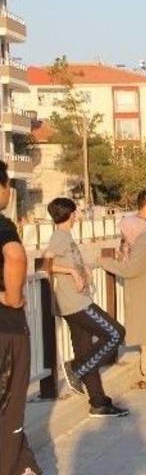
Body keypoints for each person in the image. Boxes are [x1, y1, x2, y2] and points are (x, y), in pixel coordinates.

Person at [44, 198, 129, 417]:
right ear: (69, 214)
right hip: (75, 303)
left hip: (75, 301)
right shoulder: (59, 236)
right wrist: (72, 272)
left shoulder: (65, 236)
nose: (77, 216)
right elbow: (46, 263)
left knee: (85, 350)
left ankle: (98, 403)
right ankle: (77, 368)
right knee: (115, 333)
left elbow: (68, 261)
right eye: (76, 212)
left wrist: (84, 269)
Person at [0, 161, 43, 475]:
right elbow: (15, 255)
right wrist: (12, 298)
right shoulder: (2, 225)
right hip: (6, 330)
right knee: (9, 412)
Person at [100, 215, 146, 389]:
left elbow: (131, 270)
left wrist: (106, 262)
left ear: (131, 230)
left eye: (123, 231)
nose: (123, 234)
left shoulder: (141, 245)